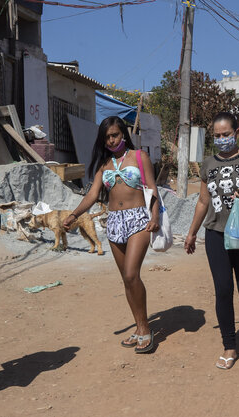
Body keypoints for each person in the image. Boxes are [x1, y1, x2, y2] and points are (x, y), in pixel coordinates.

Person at [184, 112, 239, 370]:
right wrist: (192, 233)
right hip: (215, 235)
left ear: (238, 131)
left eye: (226, 134)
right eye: (217, 136)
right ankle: (229, 346)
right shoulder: (208, 164)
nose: (222, 139)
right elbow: (203, 201)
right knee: (223, 290)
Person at [64, 116, 160, 353]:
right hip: (114, 223)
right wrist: (73, 215)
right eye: (107, 137)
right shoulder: (104, 165)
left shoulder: (139, 157)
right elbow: (92, 196)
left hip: (139, 218)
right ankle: (138, 328)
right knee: (127, 280)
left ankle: (146, 328)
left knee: (131, 273)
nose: (111, 140)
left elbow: (151, 188)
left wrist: (155, 216)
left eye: (115, 135)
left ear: (123, 134)